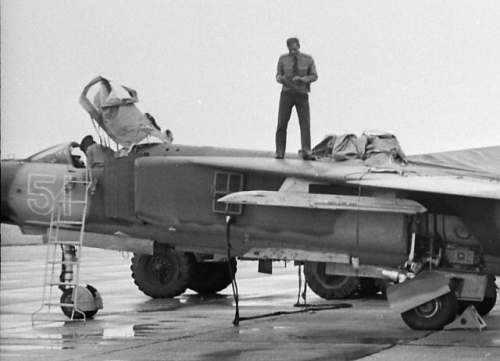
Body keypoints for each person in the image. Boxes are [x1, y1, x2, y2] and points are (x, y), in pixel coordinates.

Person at [275, 37, 318, 160]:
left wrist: (302, 79)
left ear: (298, 46)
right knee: (282, 123)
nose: (293, 52)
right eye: (290, 50)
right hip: (286, 94)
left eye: (294, 49)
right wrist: (279, 78)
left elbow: (314, 76)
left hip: (302, 95)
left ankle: (306, 151)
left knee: (305, 124)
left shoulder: (308, 59)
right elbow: (278, 74)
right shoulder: (283, 59)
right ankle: (279, 151)